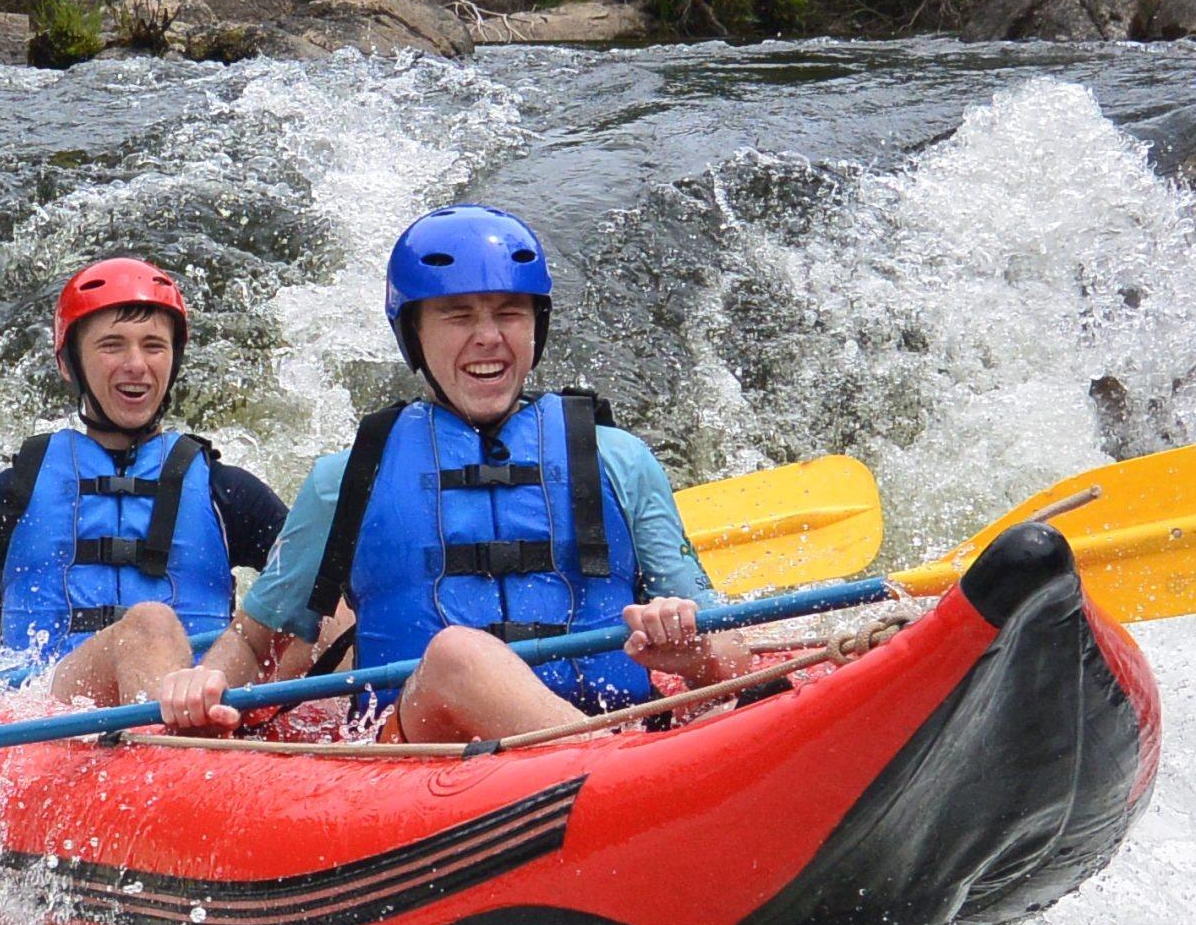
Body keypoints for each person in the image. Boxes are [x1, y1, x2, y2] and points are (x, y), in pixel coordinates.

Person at [153, 205, 760, 743]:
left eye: (509, 313)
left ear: (535, 327)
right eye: (458, 316)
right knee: (458, 657)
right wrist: (200, 686)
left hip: (620, 726)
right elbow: (258, 642)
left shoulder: (618, 459)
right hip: (417, 753)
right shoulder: (347, 479)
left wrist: (692, 649)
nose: (489, 338)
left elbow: (732, 654)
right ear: (414, 333)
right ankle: (612, 774)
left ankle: (604, 767)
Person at [0, 256, 287, 708]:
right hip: (50, 711)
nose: (136, 364)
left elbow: (317, 603)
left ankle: (177, 753)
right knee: (148, 625)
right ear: (71, 364)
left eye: (154, 346)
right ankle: (169, 758)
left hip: (197, 710)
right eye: (112, 345)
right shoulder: (8, 495)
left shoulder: (227, 493)